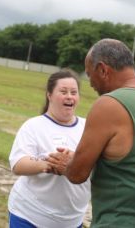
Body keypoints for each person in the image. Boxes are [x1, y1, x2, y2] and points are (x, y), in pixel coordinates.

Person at [47, 39, 135, 227]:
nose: (91, 83)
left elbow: (77, 174)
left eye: (90, 74)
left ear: (103, 70)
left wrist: (67, 163)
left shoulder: (109, 104)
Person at [8, 69, 91, 228]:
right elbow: (18, 164)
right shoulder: (34, 126)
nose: (69, 96)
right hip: (29, 216)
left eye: (74, 92)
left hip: (72, 221)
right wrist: (49, 164)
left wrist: (73, 161)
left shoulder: (88, 127)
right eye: (63, 91)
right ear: (49, 95)